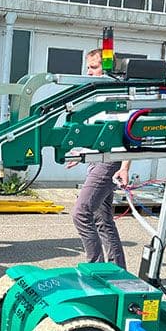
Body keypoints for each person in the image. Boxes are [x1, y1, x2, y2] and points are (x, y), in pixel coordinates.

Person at [69, 48, 131, 268]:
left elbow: (128, 134)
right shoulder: (97, 94)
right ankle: (117, 269)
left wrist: (124, 167)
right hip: (97, 160)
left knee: (81, 213)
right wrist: (82, 153)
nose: (89, 72)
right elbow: (96, 134)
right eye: (88, 67)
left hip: (110, 161)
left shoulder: (117, 95)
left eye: (93, 67)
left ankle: (96, 267)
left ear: (107, 69)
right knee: (103, 220)